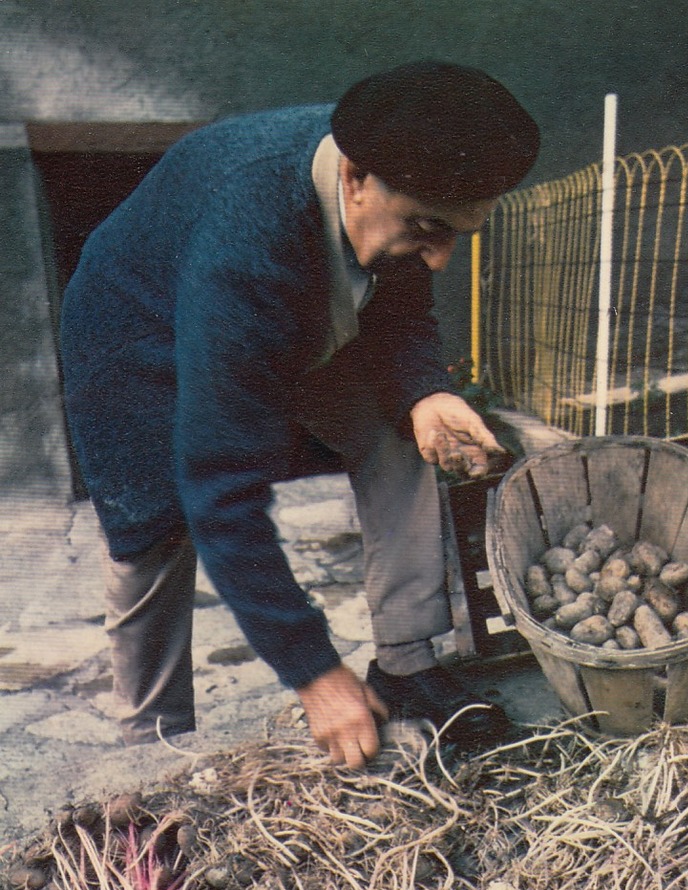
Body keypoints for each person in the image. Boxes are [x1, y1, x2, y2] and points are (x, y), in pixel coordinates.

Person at [60, 60, 540, 770]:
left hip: (284, 306)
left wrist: (424, 391)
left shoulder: (394, 164)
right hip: (139, 337)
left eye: (459, 236)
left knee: (403, 428)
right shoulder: (247, 241)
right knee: (155, 533)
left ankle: (406, 665)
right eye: (428, 228)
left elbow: (403, 303)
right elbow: (221, 486)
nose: (440, 260)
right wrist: (313, 673)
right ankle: (151, 753)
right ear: (352, 180)